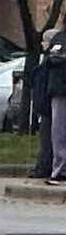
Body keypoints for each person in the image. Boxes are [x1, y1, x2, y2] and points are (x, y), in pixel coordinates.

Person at [30, 28, 59, 178]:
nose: (42, 44)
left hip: (48, 105)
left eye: (45, 40)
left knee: (48, 138)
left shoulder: (50, 63)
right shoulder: (47, 62)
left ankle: (44, 166)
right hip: (46, 105)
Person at [47, 20, 66, 185]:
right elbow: (54, 58)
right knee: (60, 132)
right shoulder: (60, 38)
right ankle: (60, 170)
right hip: (61, 90)